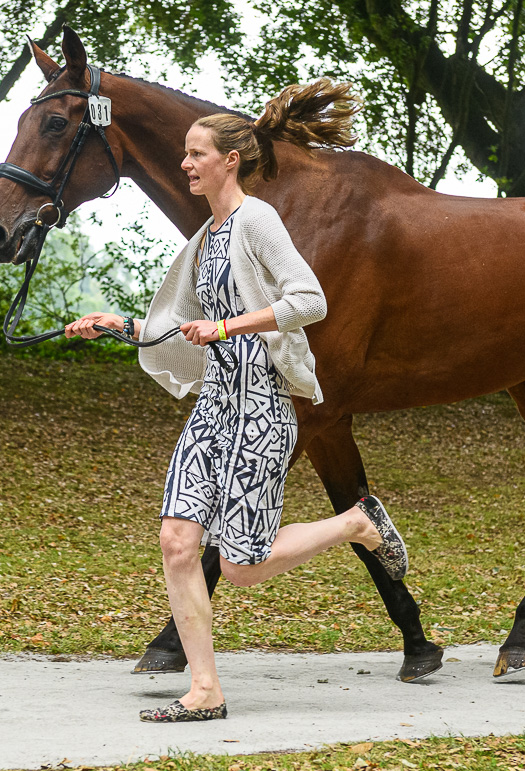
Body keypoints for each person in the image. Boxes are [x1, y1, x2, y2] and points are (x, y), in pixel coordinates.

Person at [64, 79, 408, 723]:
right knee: (176, 541)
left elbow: (311, 301)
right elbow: (185, 327)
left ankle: (356, 523)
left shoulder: (257, 220)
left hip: (262, 405)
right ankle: (205, 689)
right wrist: (121, 325)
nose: (184, 163)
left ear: (231, 160)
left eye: (196, 154)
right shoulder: (207, 238)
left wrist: (228, 327)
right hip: (216, 405)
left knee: (244, 567)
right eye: (185, 154)